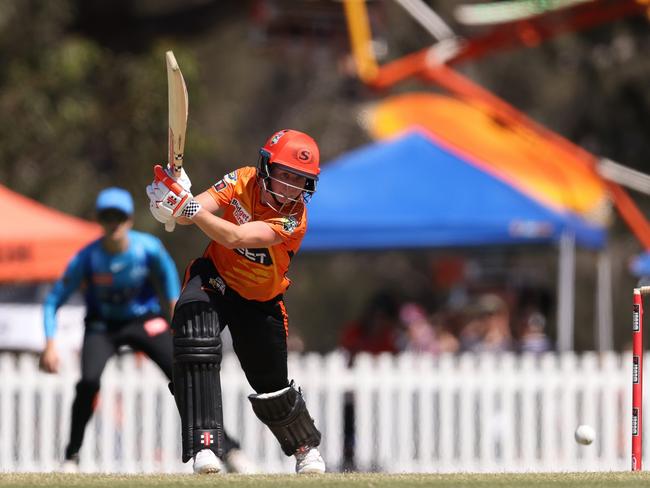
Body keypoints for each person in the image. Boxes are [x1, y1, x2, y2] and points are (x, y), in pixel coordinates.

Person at [146, 129, 326, 474]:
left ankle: (305, 448)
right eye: (286, 175)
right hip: (217, 279)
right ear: (267, 167)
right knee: (194, 332)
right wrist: (168, 201)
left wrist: (185, 205)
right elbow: (189, 215)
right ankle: (206, 447)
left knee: (271, 385)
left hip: (262, 301)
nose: (290, 187)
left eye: (300, 180)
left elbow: (234, 236)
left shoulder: (294, 219)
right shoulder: (242, 180)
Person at [39, 187, 252, 474]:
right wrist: (50, 343)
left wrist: (179, 322)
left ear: (129, 220)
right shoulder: (87, 258)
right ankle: (71, 456)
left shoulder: (148, 248)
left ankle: (226, 447)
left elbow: (170, 286)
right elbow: (53, 301)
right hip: (103, 325)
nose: (113, 223)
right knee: (88, 382)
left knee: (183, 375)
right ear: (98, 220)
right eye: (107, 217)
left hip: (144, 321)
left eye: (119, 217)